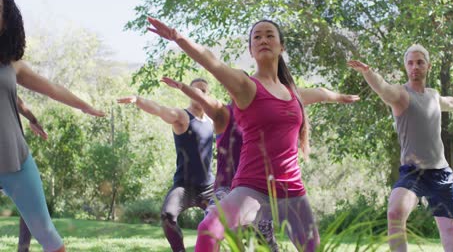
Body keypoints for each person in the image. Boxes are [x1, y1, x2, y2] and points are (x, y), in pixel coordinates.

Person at [147, 17, 359, 252]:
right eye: (257, 37)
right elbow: (211, 62)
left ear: (281, 46)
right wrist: (179, 38)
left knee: (313, 248)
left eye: (270, 35)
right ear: (251, 49)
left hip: (292, 189)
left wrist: (340, 97)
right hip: (252, 187)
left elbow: (320, 92)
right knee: (209, 229)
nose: (263, 40)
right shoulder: (245, 86)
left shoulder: (292, 93)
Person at [0, 0, 105, 252]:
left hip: (15, 159)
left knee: (47, 234)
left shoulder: (12, 65)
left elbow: (52, 88)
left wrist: (84, 106)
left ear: (5, 22)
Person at [347, 44, 453, 252]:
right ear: (405, 67)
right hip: (413, 174)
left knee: (449, 231)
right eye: (410, 63)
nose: (415, 67)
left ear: (428, 66)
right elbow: (384, 89)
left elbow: (449, 102)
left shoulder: (432, 95)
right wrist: (369, 73)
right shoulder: (401, 95)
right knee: (394, 214)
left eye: (419, 62)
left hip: (441, 174)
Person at [161, 76, 279, 251]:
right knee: (211, 225)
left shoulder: (260, 117)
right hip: (226, 188)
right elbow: (202, 98)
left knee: (264, 240)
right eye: (236, 86)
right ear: (229, 90)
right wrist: (182, 86)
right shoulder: (223, 113)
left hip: (255, 189)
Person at [117, 78, 215, 252]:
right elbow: (160, 110)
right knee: (168, 216)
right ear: (189, 93)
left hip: (208, 187)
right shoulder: (182, 117)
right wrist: (139, 100)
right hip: (183, 187)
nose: (200, 94)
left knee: (226, 221)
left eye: (204, 91)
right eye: (196, 90)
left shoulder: (212, 121)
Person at [16, 96, 48, 252]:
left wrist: (33, 120)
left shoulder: (4, 72)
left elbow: (16, 100)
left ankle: (23, 248)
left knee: (28, 197)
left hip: (10, 149)